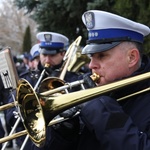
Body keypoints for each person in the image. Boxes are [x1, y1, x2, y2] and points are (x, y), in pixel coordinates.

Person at [31, 10, 150, 150]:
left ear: (131, 57)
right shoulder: (88, 89)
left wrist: (102, 112)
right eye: (91, 56)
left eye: (101, 56)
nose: (92, 65)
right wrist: (64, 133)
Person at [6, 31, 83, 149]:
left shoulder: (74, 80)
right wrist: (25, 113)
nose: (47, 60)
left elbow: (82, 122)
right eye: (44, 55)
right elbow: (10, 115)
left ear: (63, 54)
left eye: (52, 56)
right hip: (30, 145)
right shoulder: (26, 79)